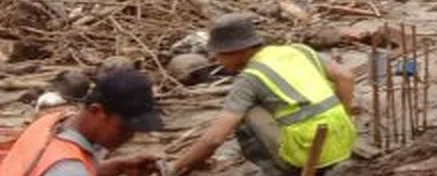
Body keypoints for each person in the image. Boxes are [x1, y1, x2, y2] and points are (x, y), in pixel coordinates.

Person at [171, 14, 356, 176]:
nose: (215, 59)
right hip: (342, 140)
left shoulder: (250, 78)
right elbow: (346, 77)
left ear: (238, 52)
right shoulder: (299, 50)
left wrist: (175, 167)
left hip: (306, 154)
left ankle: (280, 171)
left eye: (218, 54)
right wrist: (343, 117)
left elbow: (214, 139)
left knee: (246, 113)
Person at [0, 68, 164, 176]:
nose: (129, 136)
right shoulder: (68, 169)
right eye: (124, 128)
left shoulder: (52, 122)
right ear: (97, 111)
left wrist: (117, 167)